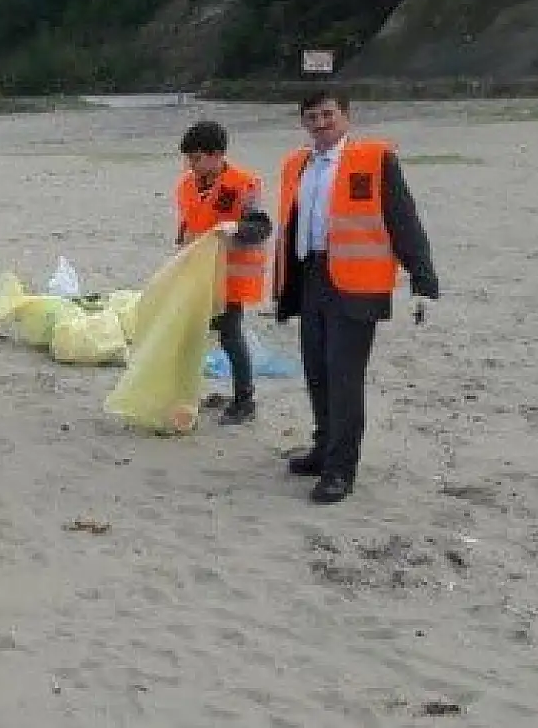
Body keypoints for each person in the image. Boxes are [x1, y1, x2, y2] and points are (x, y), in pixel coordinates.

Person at [273, 93, 439, 504]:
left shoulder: (375, 159)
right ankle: (323, 447)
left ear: (346, 117)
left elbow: (403, 219)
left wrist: (423, 279)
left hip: (356, 283)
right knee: (316, 372)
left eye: (328, 115)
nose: (320, 123)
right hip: (311, 277)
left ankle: (340, 470)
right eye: (311, 117)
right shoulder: (297, 164)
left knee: (344, 378)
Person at [175, 120, 273, 425]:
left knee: (230, 336)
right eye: (189, 159)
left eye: (197, 158)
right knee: (192, 336)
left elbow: (262, 227)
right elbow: (188, 225)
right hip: (198, 275)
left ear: (217, 155)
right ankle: (187, 394)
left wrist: (237, 229)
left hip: (230, 277)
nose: (191, 165)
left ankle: (245, 399)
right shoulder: (186, 185)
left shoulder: (245, 183)